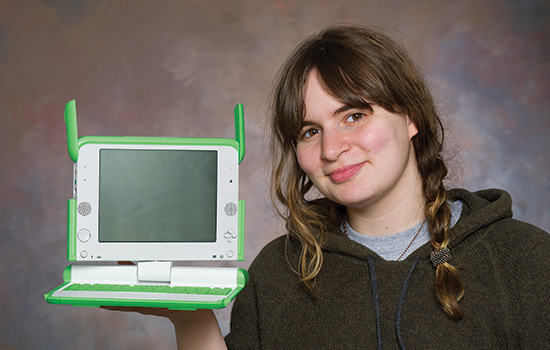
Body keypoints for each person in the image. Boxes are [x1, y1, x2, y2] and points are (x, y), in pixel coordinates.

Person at [117, 24, 550, 349]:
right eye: (309, 131)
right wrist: (190, 320)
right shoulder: (277, 272)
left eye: (354, 116)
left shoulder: (526, 259)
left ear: (411, 117)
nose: (332, 148)